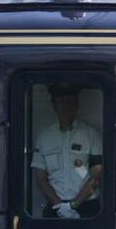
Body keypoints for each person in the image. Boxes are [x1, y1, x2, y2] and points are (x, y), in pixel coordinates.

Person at [31, 84, 103, 218]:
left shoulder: (91, 135)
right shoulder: (44, 138)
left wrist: (73, 205)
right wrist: (60, 207)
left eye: (70, 102)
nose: (66, 107)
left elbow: (96, 177)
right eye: (61, 102)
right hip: (55, 208)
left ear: (76, 105)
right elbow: (41, 179)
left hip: (87, 208)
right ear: (54, 106)